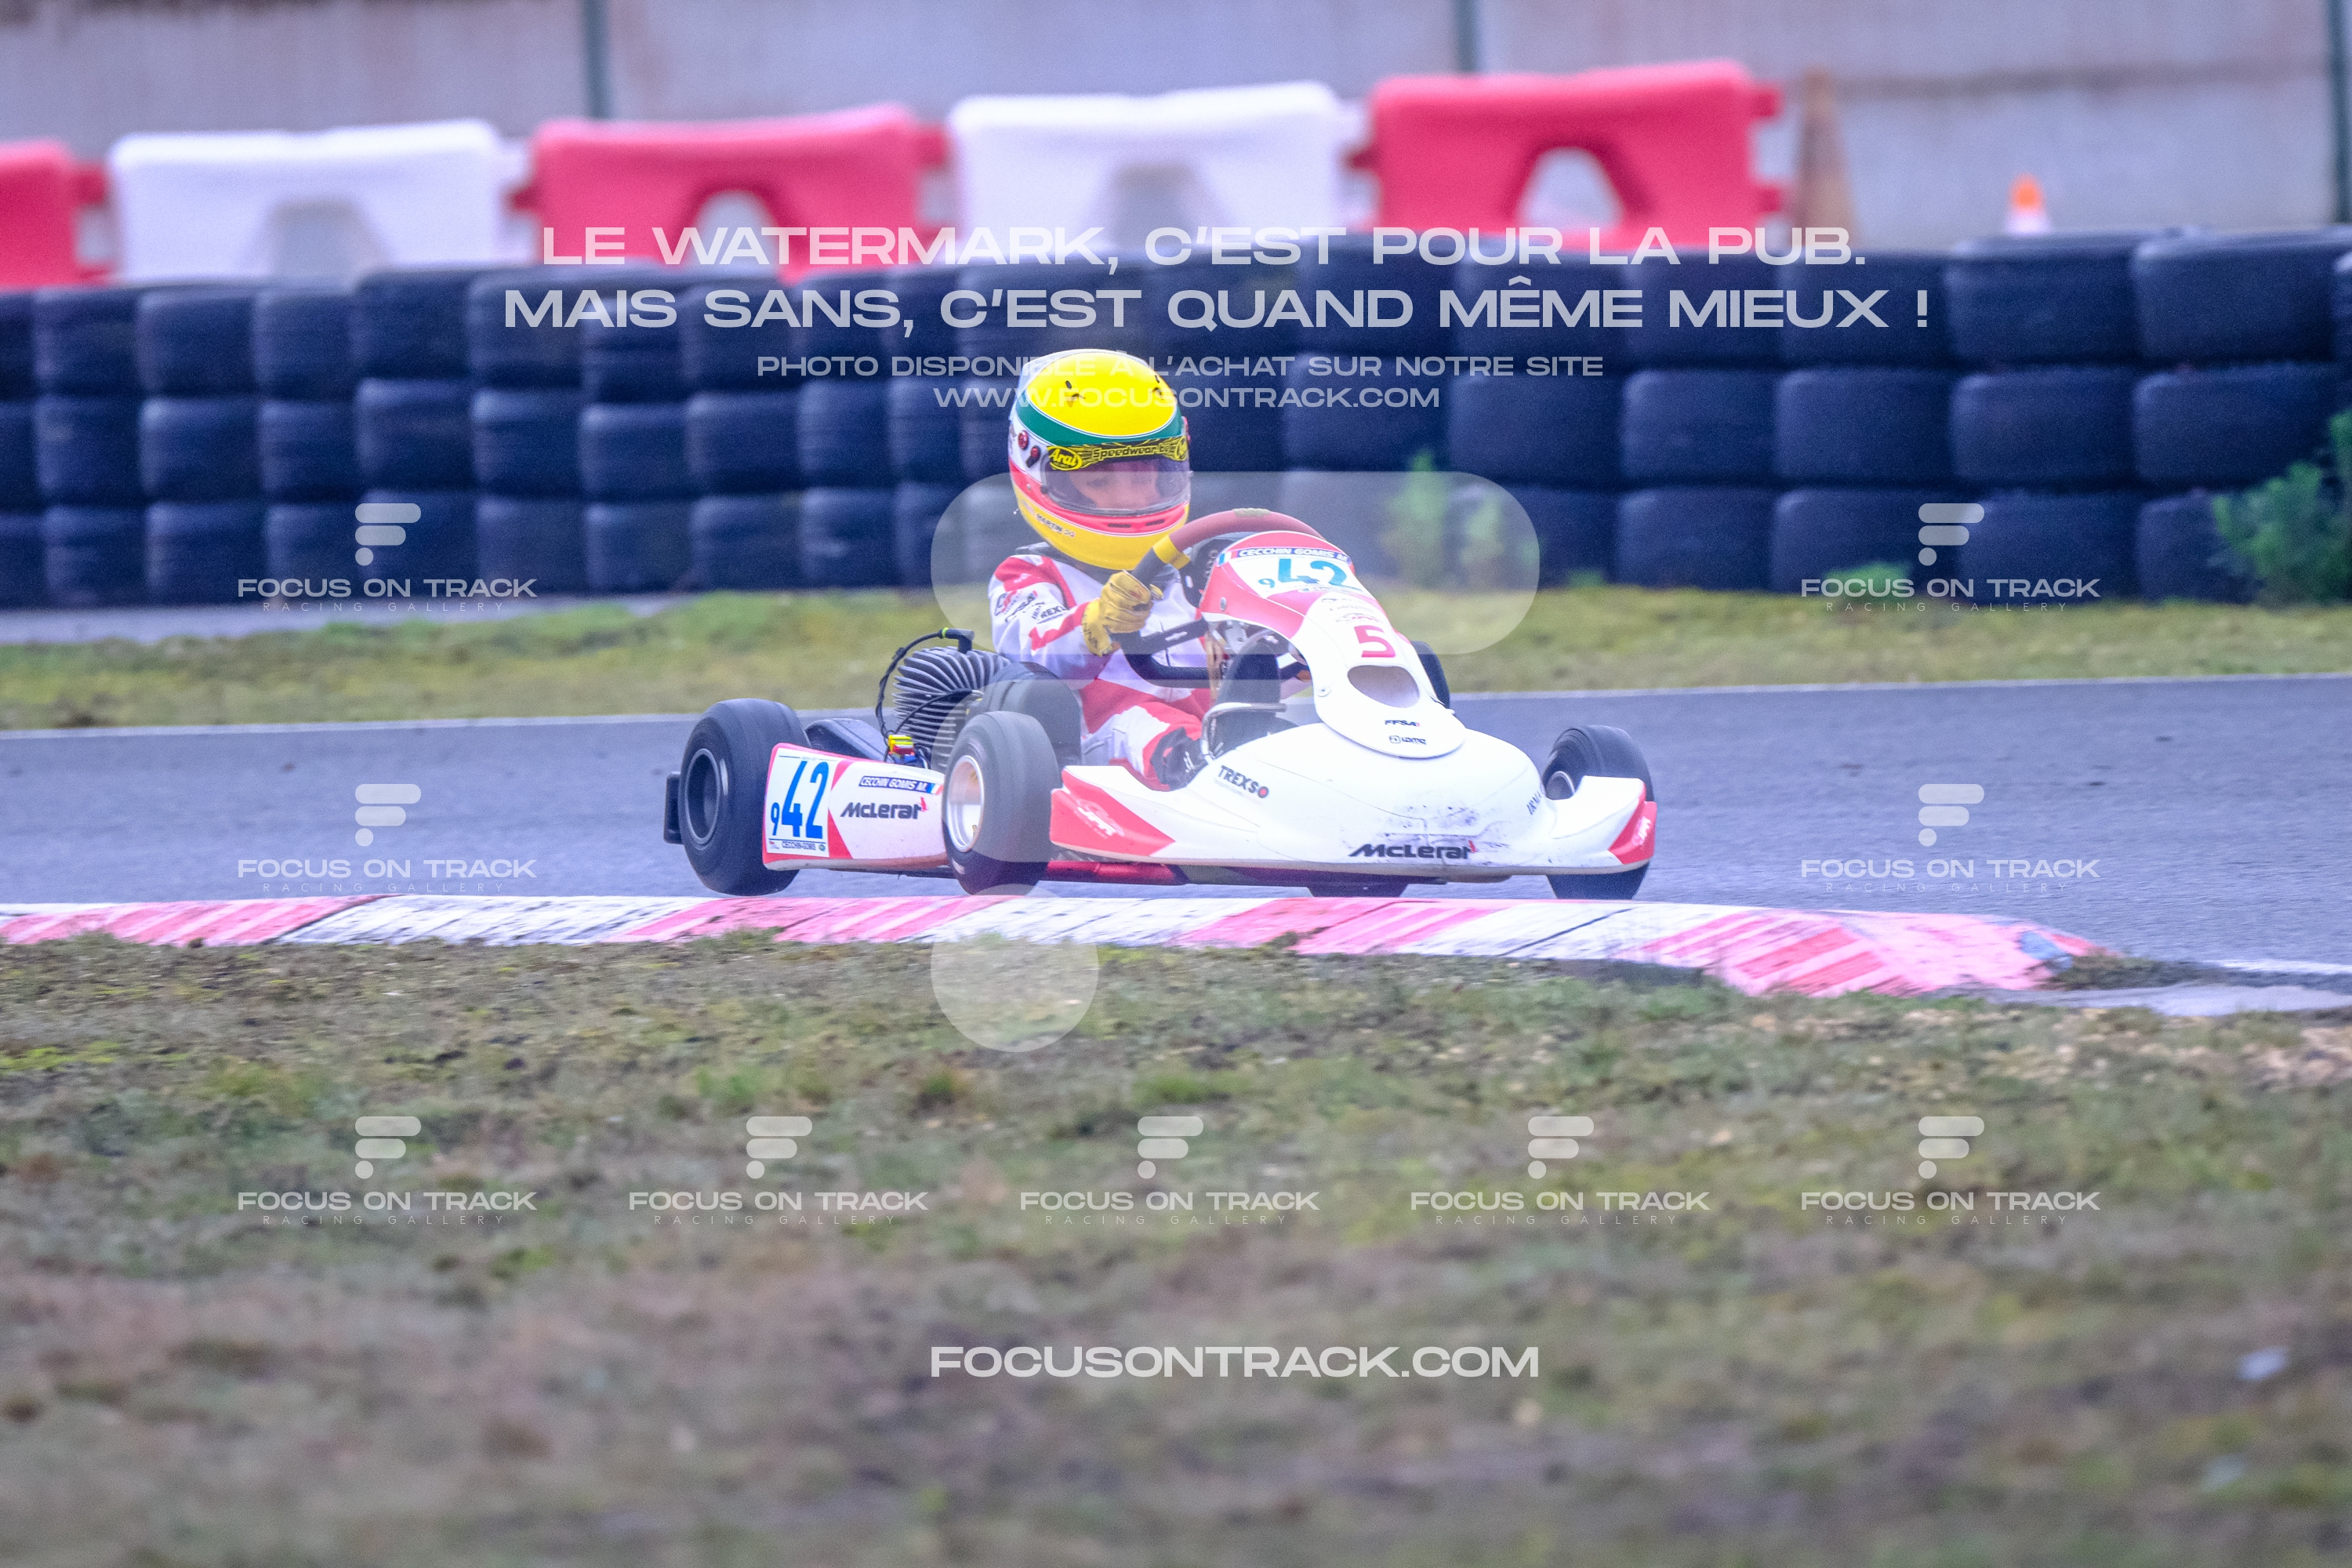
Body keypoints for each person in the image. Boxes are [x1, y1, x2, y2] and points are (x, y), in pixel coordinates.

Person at [989, 348, 1210, 790]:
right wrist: (1096, 624)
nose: (1129, 498)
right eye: (1099, 479)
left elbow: (1259, 672)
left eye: (1144, 475)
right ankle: (1200, 774)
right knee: (1147, 724)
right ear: (1039, 474)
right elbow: (1038, 650)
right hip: (1091, 751)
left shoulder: (1200, 571)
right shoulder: (1028, 575)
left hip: (1216, 733)